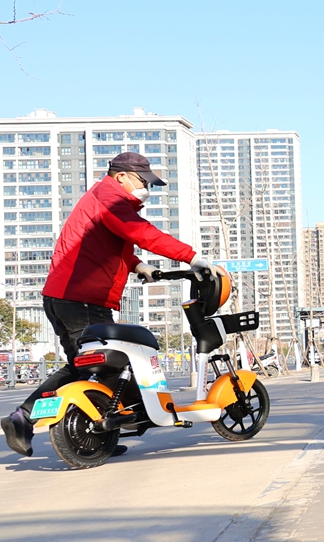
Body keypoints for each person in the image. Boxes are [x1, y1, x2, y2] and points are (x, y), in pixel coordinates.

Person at [2, 152, 213, 457]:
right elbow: (139, 232)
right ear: (121, 176)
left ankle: (100, 432)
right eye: (143, 181)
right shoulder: (109, 197)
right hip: (82, 299)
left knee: (87, 367)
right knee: (107, 363)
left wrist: (138, 267)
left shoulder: (102, 200)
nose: (147, 189)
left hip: (65, 297)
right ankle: (24, 417)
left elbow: (111, 244)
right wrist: (190, 256)